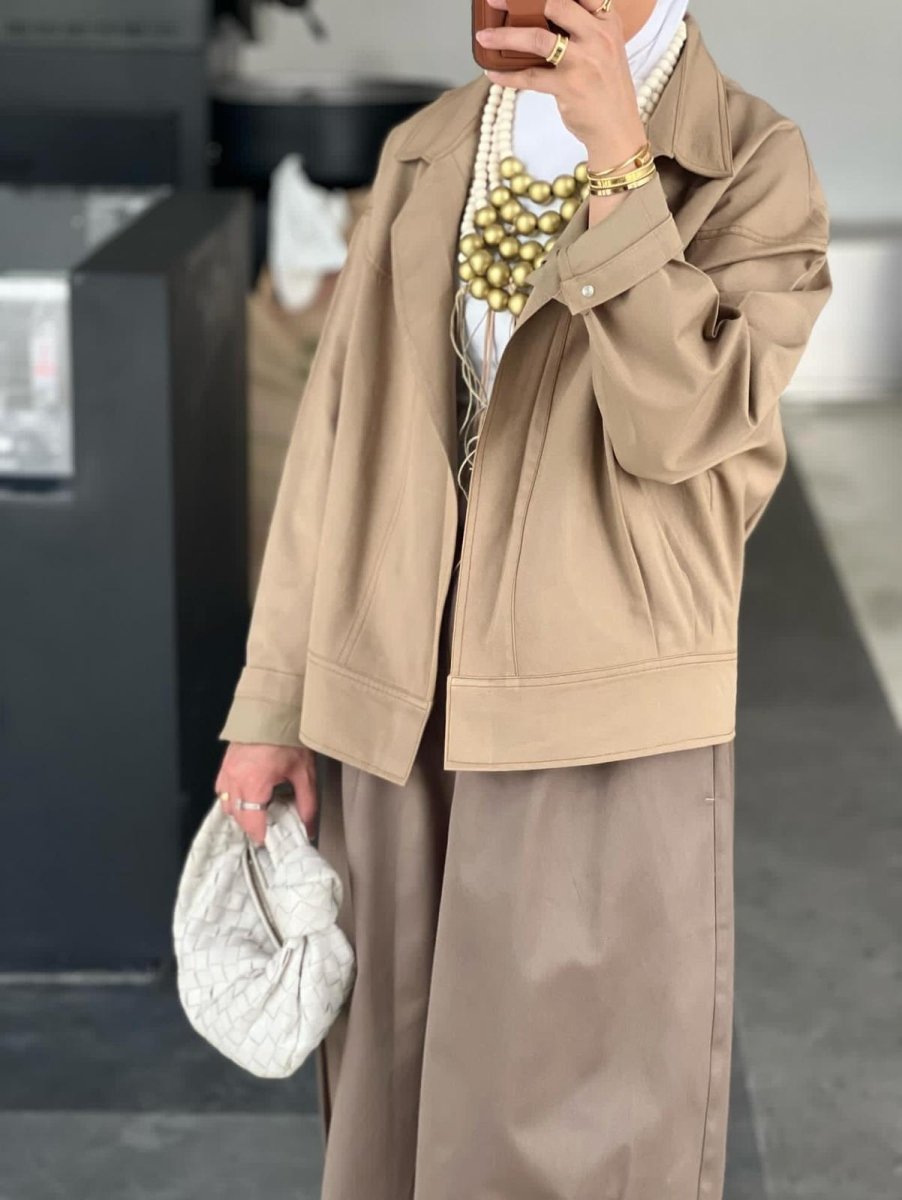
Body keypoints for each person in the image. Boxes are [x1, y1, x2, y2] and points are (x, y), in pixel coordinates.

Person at [214, 0, 833, 1196]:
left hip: (595, 717)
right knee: (390, 1114)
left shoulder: (751, 161)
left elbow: (680, 429)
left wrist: (618, 165)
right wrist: (274, 700)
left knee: (575, 1129)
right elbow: (333, 440)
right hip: (392, 706)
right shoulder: (429, 146)